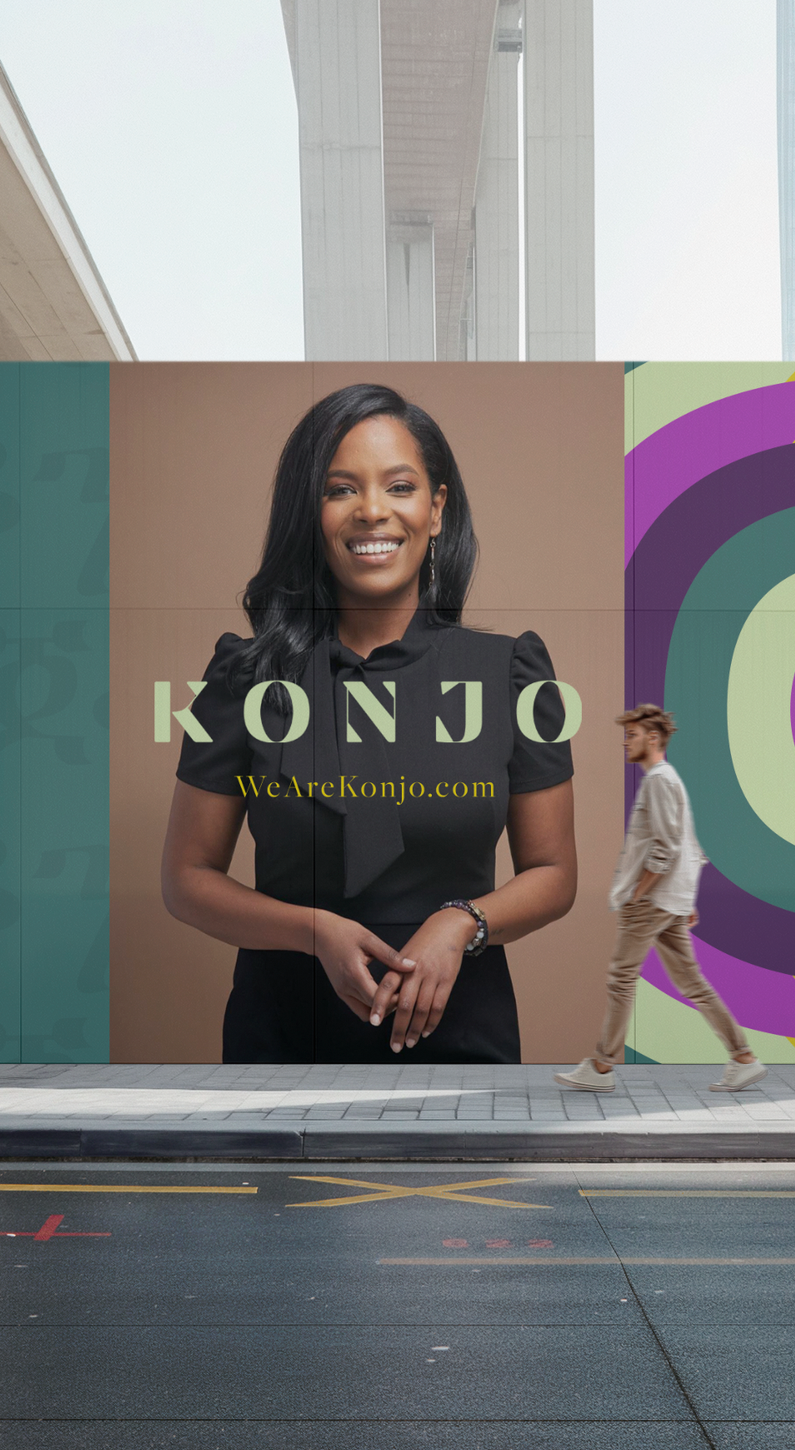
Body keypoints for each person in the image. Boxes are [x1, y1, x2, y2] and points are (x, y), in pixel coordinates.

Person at [159, 382, 578, 1061]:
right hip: (282, 1042)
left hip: (465, 1040)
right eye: (340, 489)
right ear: (310, 512)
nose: (373, 511)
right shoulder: (242, 678)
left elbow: (555, 871)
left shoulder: (510, 673)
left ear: (437, 508)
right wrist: (316, 930)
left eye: (401, 486)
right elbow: (186, 879)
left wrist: (460, 920)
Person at [555, 704, 765, 1092]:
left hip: (651, 903)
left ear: (653, 739)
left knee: (621, 978)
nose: (625, 741)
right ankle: (743, 1057)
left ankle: (602, 1067)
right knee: (692, 983)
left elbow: (667, 847)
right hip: (669, 901)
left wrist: (639, 892)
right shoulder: (667, 780)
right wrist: (686, 900)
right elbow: (689, 845)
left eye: (632, 735)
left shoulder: (659, 781)